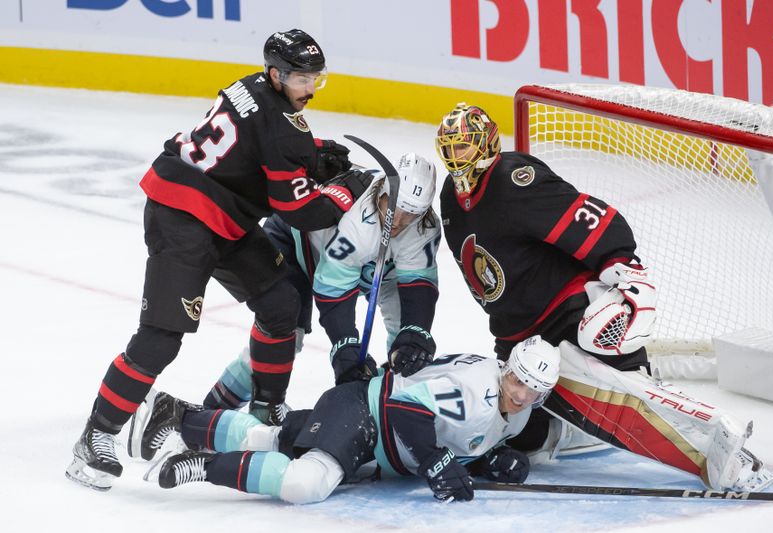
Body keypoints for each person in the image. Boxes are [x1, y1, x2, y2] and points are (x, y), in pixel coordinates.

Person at [65, 29, 376, 491]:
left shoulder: (249, 86)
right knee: (161, 337)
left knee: (281, 303)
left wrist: (310, 156)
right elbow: (300, 212)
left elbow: (259, 143)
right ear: (276, 74)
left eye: (316, 79)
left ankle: (266, 409)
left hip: (219, 215)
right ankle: (96, 435)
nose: (309, 90)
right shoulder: (285, 125)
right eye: (300, 80)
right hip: (183, 220)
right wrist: (343, 187)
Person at [434, 102, 773, 492]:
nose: (455, 156)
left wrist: (622, 263)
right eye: (450, 147)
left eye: (463, 146)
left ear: (487, 142)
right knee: (522, 428)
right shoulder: (450, 198)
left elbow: (590, 217)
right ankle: (575, 430)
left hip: (568, 312)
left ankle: (721, 447)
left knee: (612, 398)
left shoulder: (513, 180)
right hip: (518, 332)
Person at [127, 335, 560, 504]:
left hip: (372, 430)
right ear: (507, 367)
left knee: (273, 439)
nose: (522, 395)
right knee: (304, 483)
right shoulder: (478, 390)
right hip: (368, 414)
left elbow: (463, 437)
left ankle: (180, 418)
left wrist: (484, 462)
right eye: (518, 380)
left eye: (533, 390)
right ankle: (200, 464)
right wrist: (435, 462)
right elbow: (407, 409)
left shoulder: (515, 414)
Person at [183, 152, 442, 426]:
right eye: (395, 206)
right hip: (297, 243)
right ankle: (212, 410)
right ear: (382, 192)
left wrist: (415, 332)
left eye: (411, 213)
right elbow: (333, 291)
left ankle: (393, 411)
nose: (399, 221)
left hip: (369, 263)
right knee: (283, 336)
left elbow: (418, 285)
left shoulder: (424, 227)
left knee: (408, 343)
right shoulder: (358, 221)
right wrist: (345, 346)